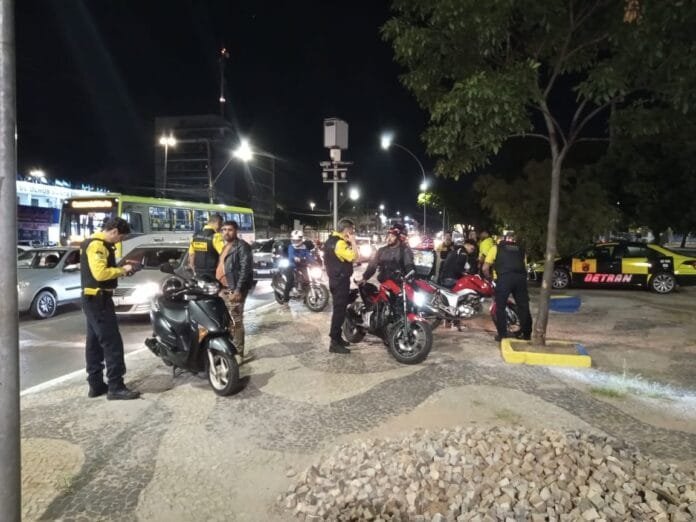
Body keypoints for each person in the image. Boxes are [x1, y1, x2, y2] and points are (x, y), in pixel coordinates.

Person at [81, 217, 139, 400]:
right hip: (99, 300)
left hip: (93, 299)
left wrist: (121, 270)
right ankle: (116, 387)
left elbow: (104, 270)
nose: (120, 241)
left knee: (94, 344)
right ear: (114, 231)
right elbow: (100, 273)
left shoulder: (97, 244)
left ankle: (96, 385)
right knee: (112, 343)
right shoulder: (97, 245)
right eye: (120, 237)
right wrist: (123, 270)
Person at [482, 231, 532, 342]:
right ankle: (526, 334)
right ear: (515, 239)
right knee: (524, 306)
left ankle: (502, 335)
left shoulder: (496, 248)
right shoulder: (521, 250)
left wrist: (489, 278)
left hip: (504, 279)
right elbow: (524, 266)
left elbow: (485, 268)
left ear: (505, 238)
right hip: (520, 279)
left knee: (500, 307)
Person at [216, 220, 253, 360]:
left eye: (230, 229)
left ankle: (238, 353)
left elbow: (245, 269)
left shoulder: (242, 246)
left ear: (236, 231)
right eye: (224, 229)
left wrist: (238, 290)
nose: (226, 232)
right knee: (227, 321)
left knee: (236, 321)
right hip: (223, 289)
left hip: (234, 289)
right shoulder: (225, 246)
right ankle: (229, 349)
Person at [323, 218, 358, 354]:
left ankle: (337, 338)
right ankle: (334, 342)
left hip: (335, 280)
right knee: (339, 312)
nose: (353, 232)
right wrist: (353, 242)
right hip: (340, 282)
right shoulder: (340, 244)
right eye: (352, 230)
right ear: (347, 230)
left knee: (340, 310)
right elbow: (354, 257)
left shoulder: (330, 240)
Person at [189, 214, 224, 279]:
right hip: (212, 272)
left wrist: (193, 267)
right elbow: (223, 253)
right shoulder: (216, 236)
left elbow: (191, 254)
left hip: (198, 271)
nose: (221, 227)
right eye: (221, 225)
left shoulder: (195, 236)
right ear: (217, 223)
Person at [282, 229, 312, 302]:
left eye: (297, 240)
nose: (295, 242)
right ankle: (285, 300)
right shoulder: (291, 247)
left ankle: (306, 299)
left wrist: (313, 262)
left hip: (301, 266)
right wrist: (295, 258)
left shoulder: (304, 247)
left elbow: (308, 255)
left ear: (301, 239)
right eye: (294, 240)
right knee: (290, 281)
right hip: (291, 266)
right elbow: (291, 255)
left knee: (307, 280)